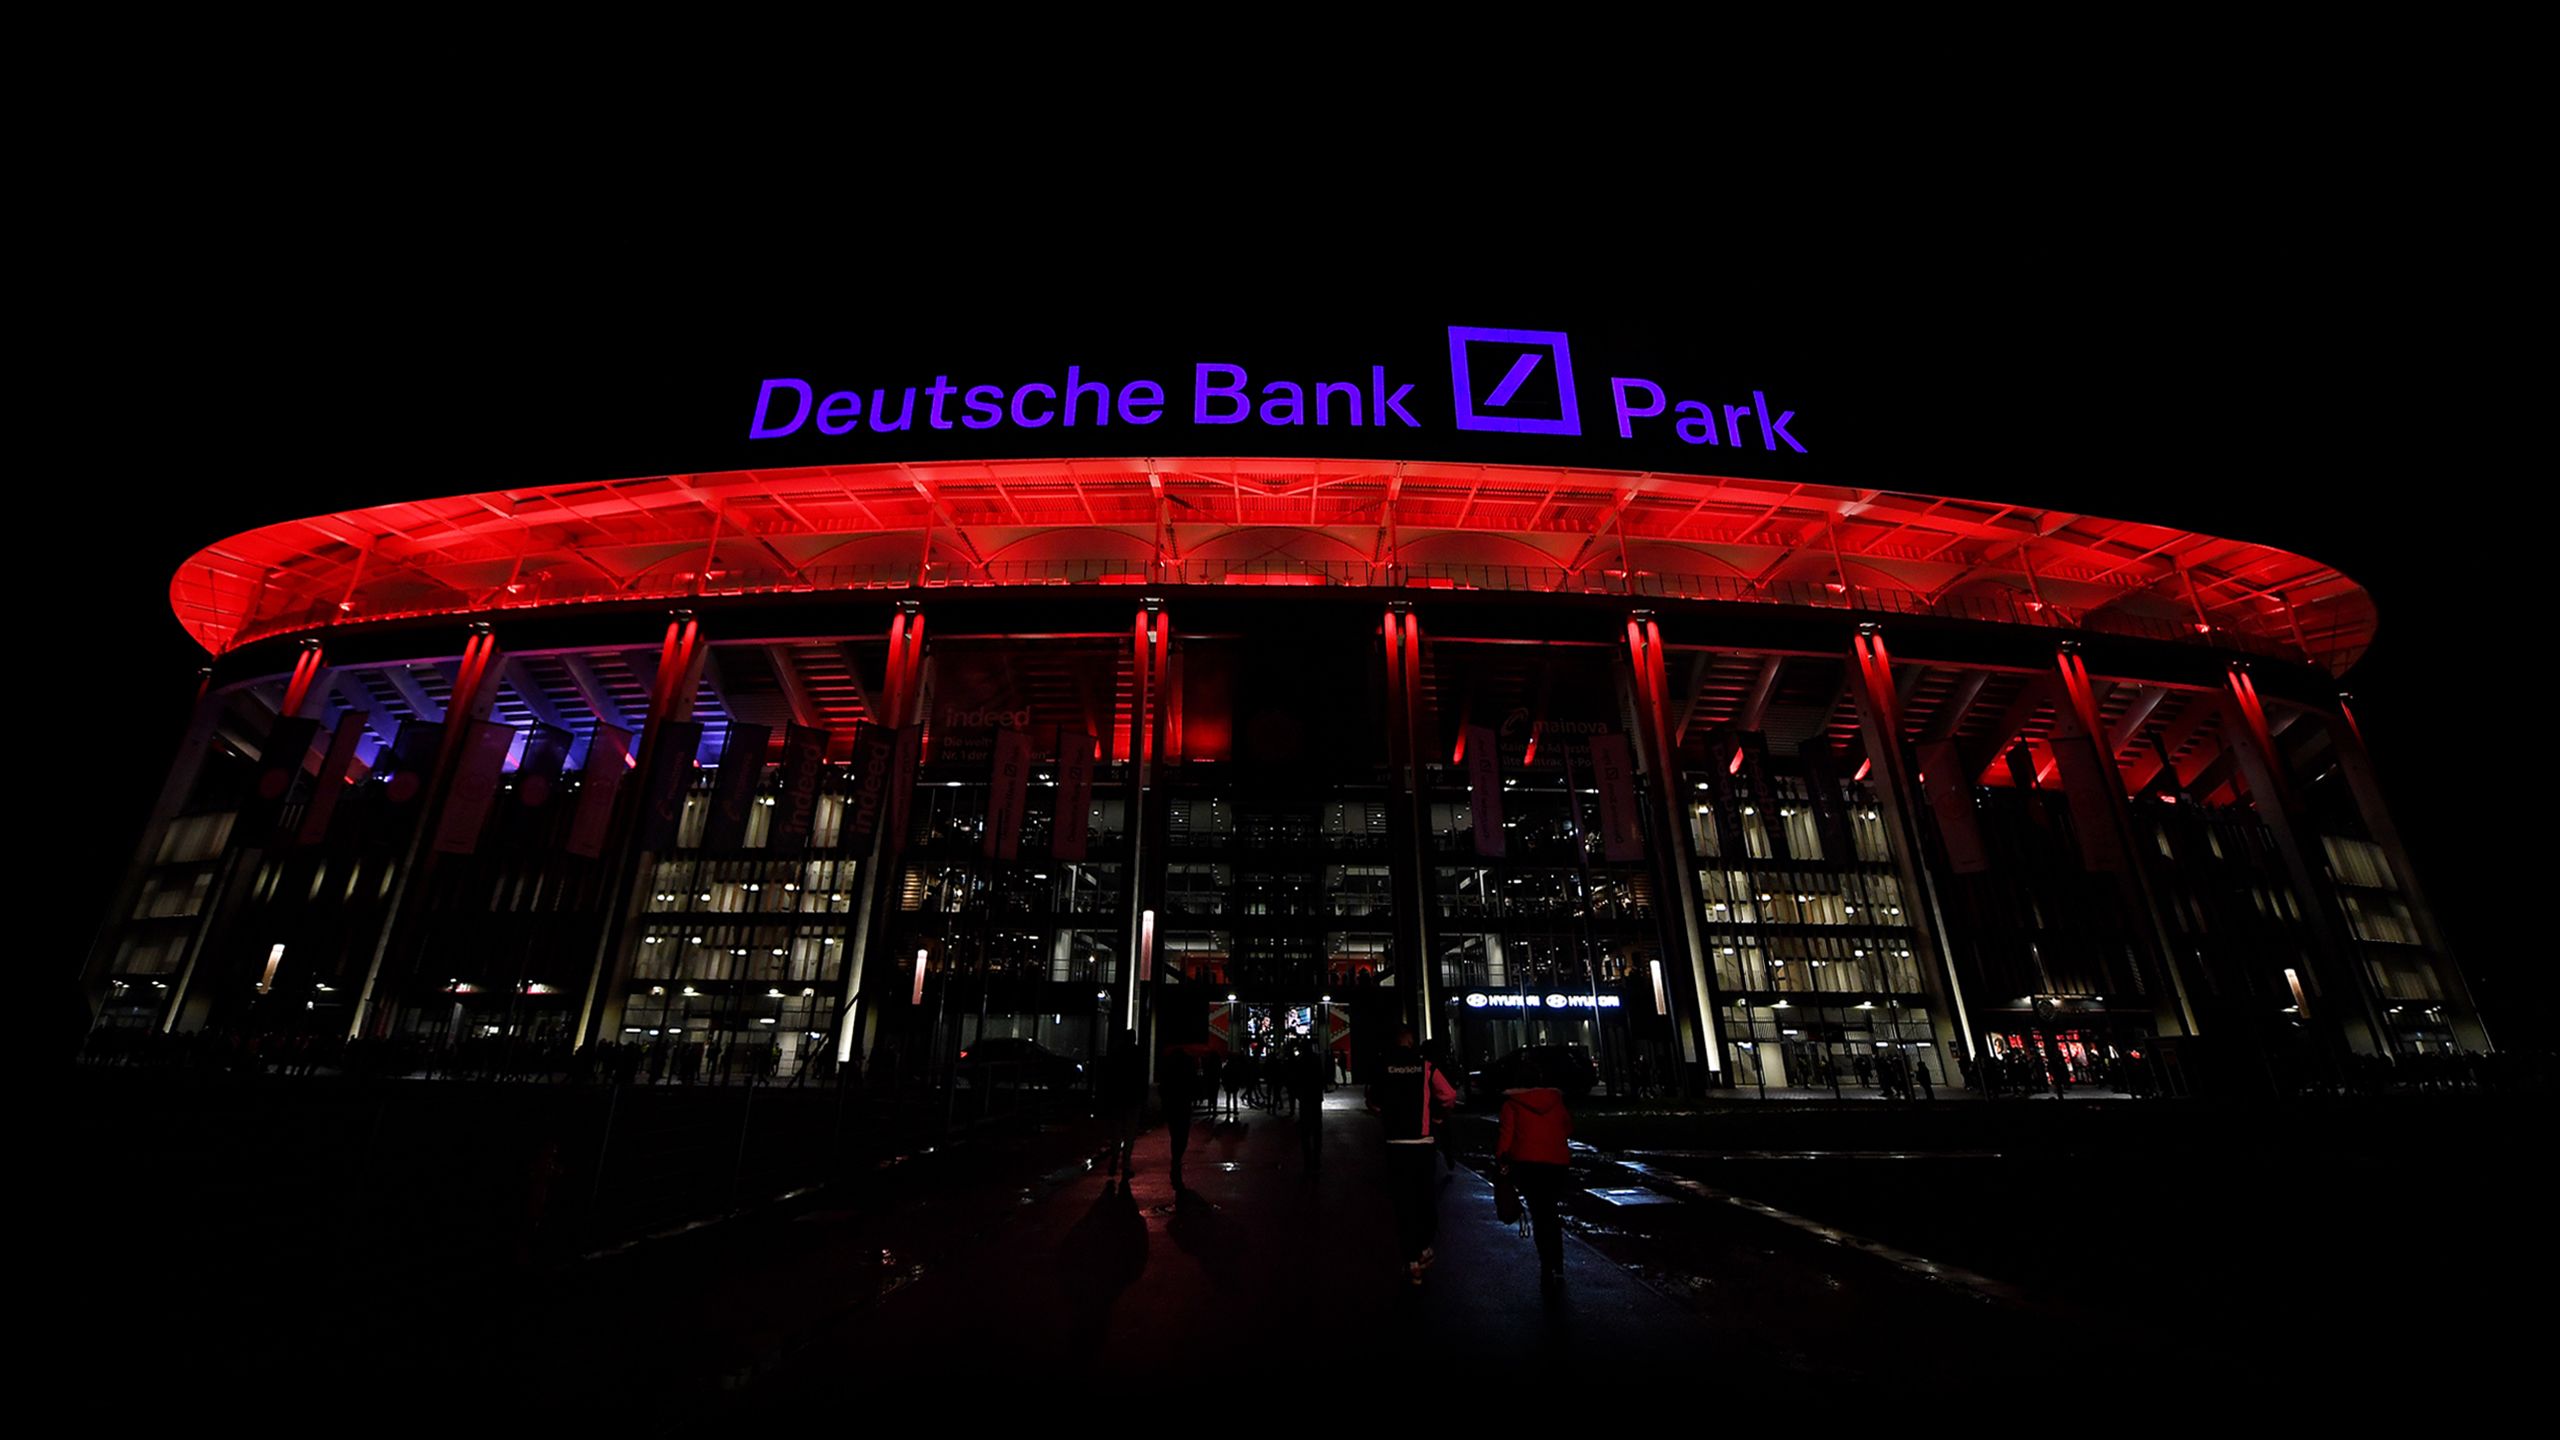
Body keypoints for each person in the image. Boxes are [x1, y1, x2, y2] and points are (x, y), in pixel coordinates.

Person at [1367, 1025, 1457, 1285]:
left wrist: (1387, 1113)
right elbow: (1449, 1095)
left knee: (1402, 1203)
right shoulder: (1426, 1067)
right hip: (1422, 1141)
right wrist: (1439, 1115)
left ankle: (1411, 1259)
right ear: (1411, 1042)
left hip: (1395, 1143)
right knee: (1424, 1198)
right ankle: (1423, 1246)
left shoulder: (1383, 1068)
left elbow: (1373, 1101)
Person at [1497, 1055, 1574, 1292]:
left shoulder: (1512, 1105)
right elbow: (1567, 1128)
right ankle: (1558, 1263)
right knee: (1551, 1211)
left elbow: (1506, 1138)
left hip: (1528, 1165)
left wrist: (1501, 1160)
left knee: (1540, 1214)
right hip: (1557, 1163)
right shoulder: (1556, 1101)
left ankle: (1547, 1264)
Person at [1160, 1045, 1199, 1197]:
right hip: (1183, 1104)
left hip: (1172, 1104)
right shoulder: (1187, 1066)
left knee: (1175, 1134)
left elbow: (1163, 1086)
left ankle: (1175, 1160)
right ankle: (1176, 1160)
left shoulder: (1168, 1066)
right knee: (1181, 1135)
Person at [1290, 1040, 1327, 1174]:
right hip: (1315, 1098)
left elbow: (1296, 1079)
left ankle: (1307, 1160)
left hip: (1305, 1099)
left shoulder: (1300, 1061)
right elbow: (1321, 1077)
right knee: (1317, 1130)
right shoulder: (1316, 1060)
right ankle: (1316, 1159)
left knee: (1305, 1131)